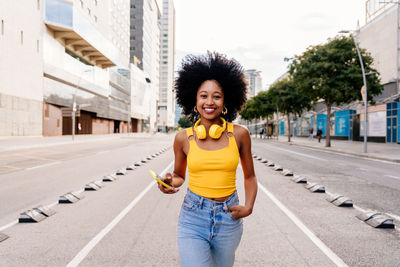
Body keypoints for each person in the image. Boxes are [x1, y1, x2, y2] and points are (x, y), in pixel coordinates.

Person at [158, 52, 258, 267]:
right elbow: (178, 176)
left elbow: (249, 176)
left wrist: (248, 206)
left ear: (226, 100)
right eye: (203, 96)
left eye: (217, 96)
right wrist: (168, 182)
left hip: (228, 217)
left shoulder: (240, 134)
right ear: (194, 100)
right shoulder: (182, 138)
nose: (209, 102)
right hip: (193, 216)